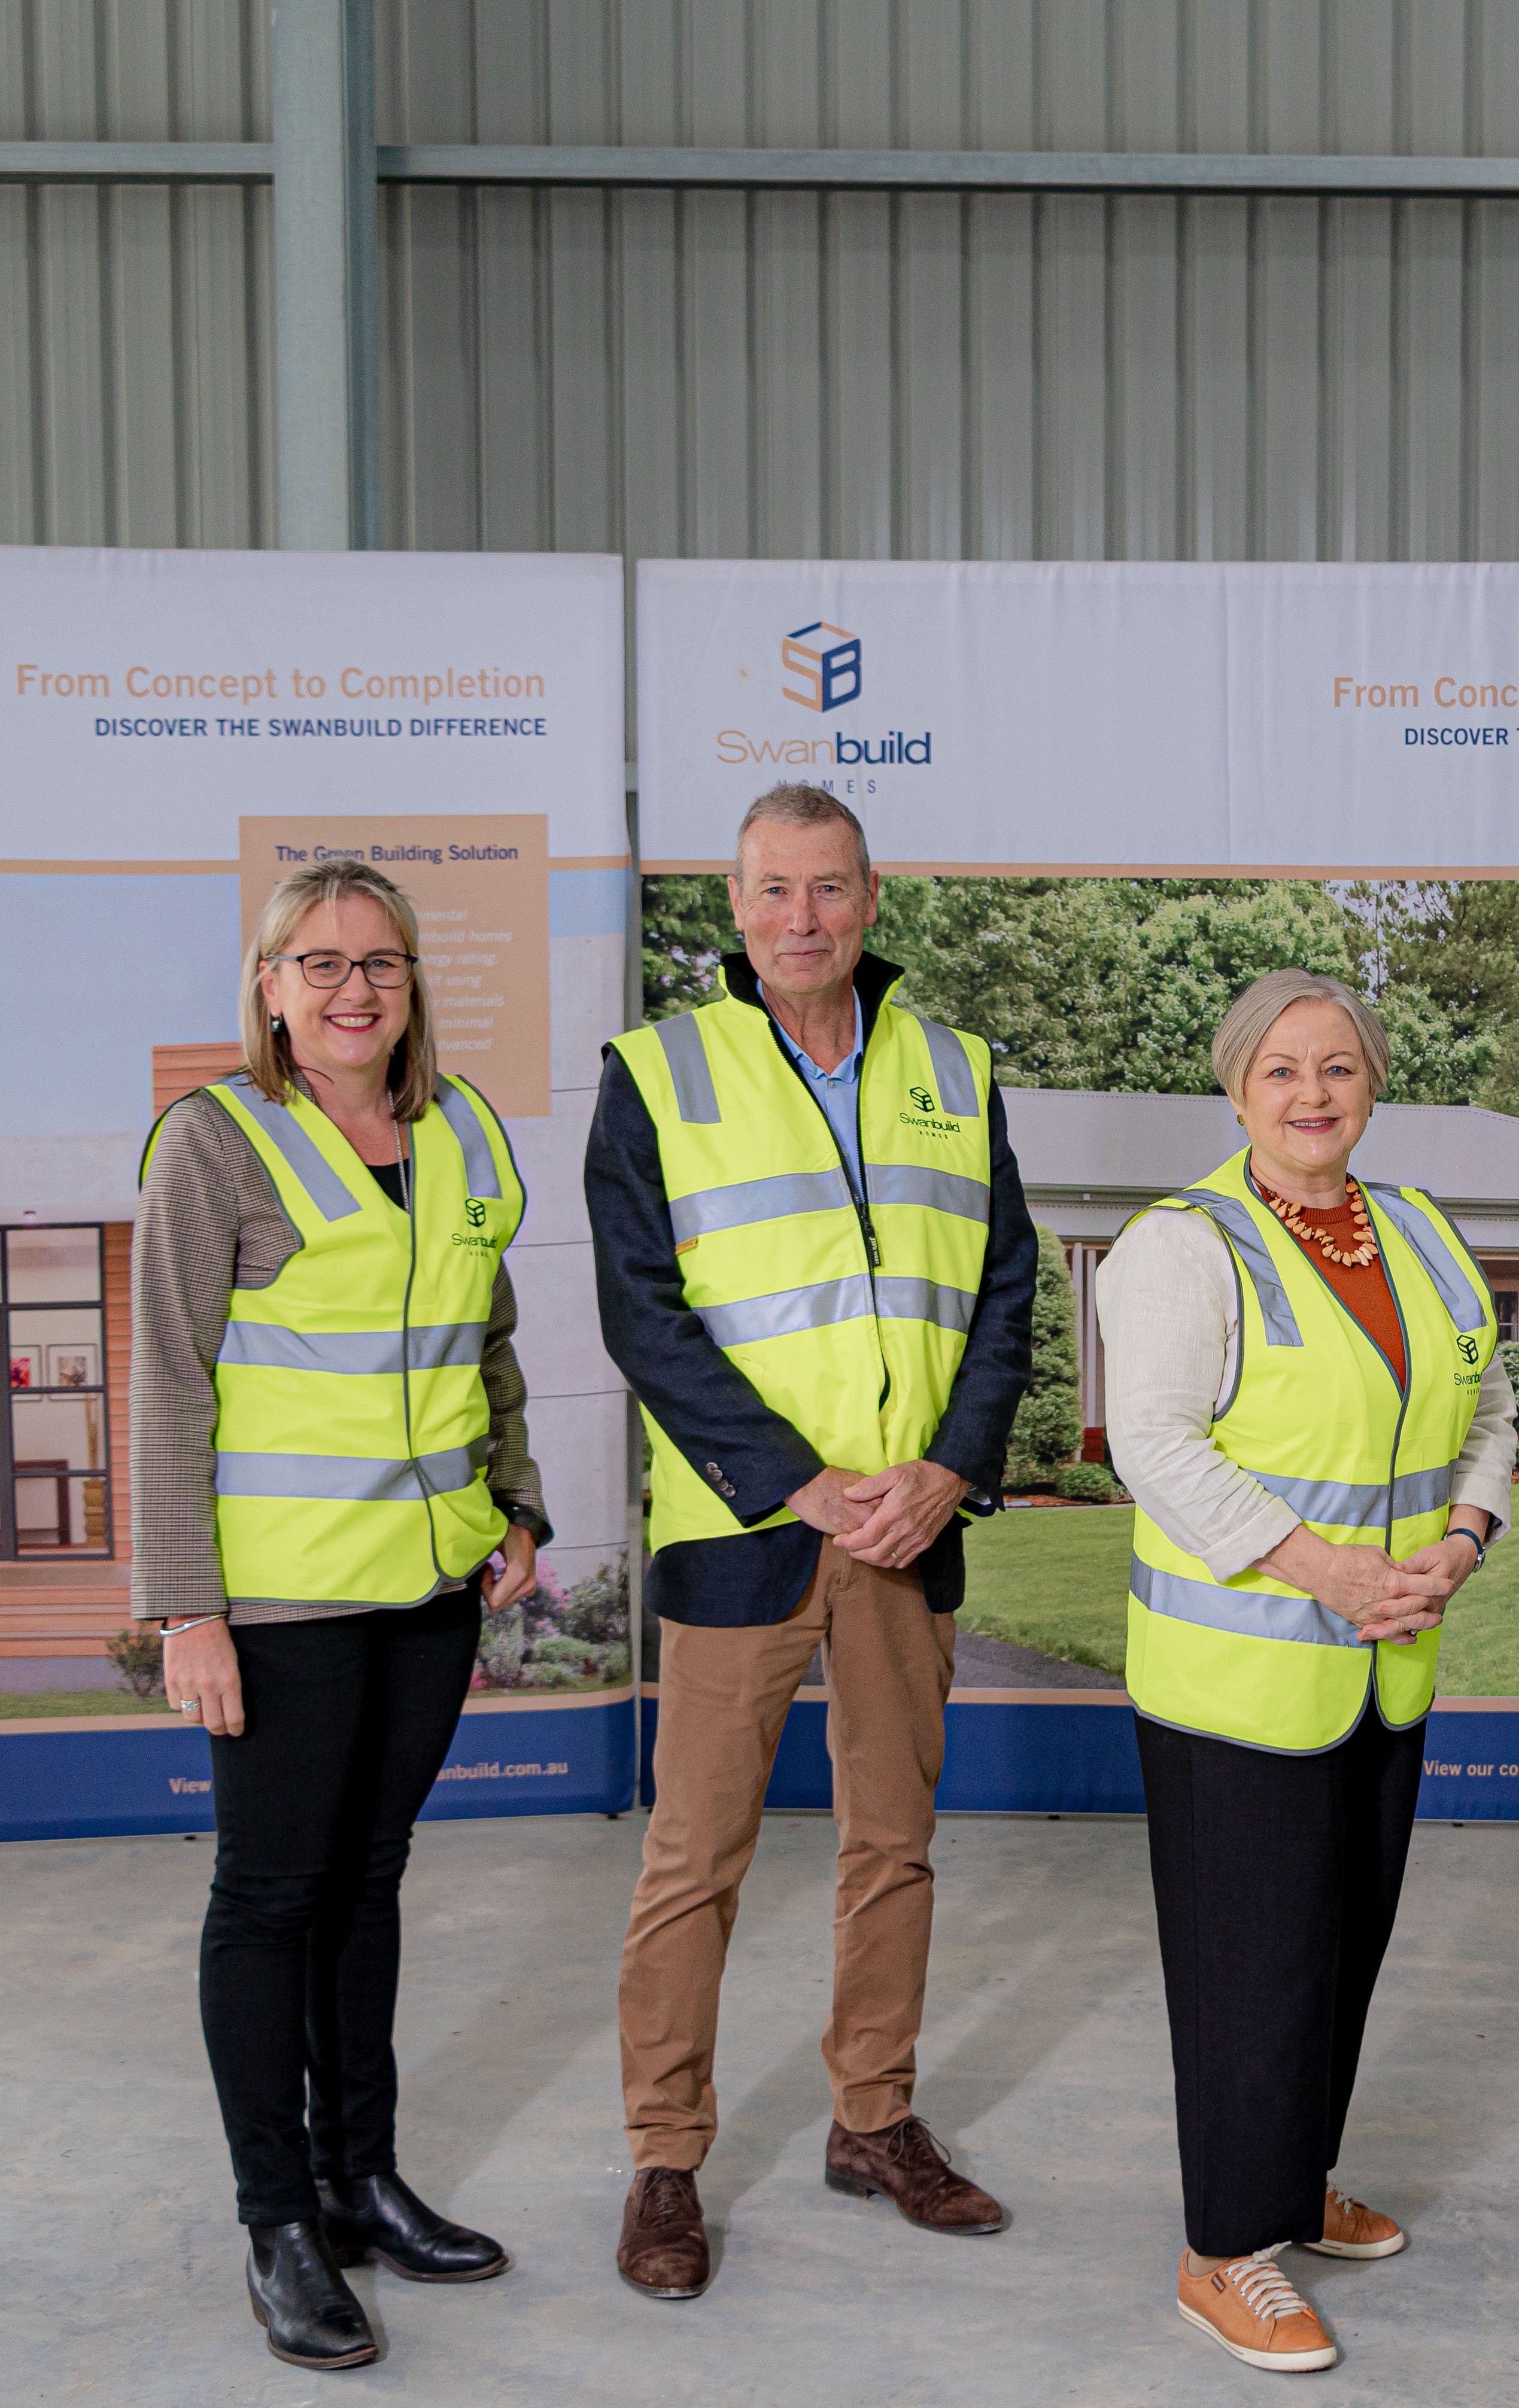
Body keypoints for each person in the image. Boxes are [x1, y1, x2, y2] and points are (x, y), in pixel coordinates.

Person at [587, 784, 1038, 2301]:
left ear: (870, 897)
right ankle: (665, 2156)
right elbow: (643, 1314)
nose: (803, 919)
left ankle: (874, 2118)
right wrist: (799, 1481)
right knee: (693, 1858)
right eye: (774, 891)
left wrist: (954, 1467)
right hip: (747, 1533)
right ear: (735, 905)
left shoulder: (957, 1067)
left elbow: (1007, 1296)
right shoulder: (656, 1074)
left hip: (909, 1528)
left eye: (829, 889)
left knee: (891, 1848)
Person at [138, 858, 546, 2371]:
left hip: (430, 1585)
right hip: (285, 1594)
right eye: (319, 964)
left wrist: (516, 1498)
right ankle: (278, 2220)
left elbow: (485, 1335)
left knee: (367, 1882)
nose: (353, 988)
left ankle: (360, 2180)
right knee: (270, 1896)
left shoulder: (461, 1129)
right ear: (269, 984)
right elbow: (170, 1381)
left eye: (379, 963)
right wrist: (185, 1606)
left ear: (413, 979)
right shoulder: (218, 1142)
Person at [1095, 970, 1515, 2374]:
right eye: (1283, 1070)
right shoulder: (1185, 1243)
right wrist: (1325, 1567)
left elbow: (1490, 1399)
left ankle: (1291, 2179)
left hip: (1387, 1668)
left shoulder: (1417, 1231)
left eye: (1339, 1067)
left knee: (1338, 1952)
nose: (1314, 1093)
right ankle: (1225, 2247)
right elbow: (1154, 1441)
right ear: (1237, 1088)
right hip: (1245, 1684)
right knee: (1250, 1968)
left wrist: (1464, 1535)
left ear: (1373, 1083)